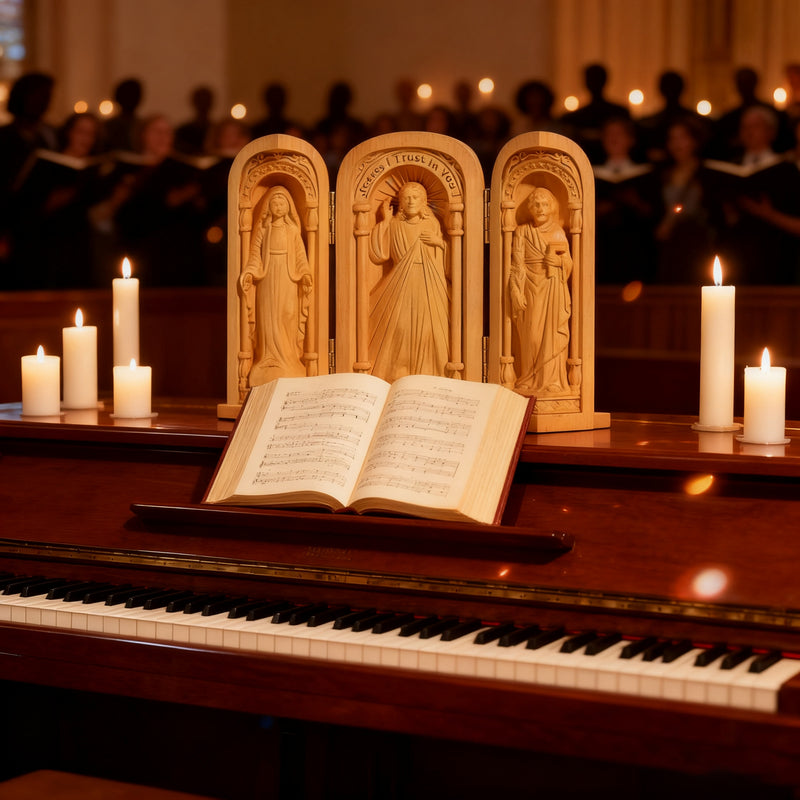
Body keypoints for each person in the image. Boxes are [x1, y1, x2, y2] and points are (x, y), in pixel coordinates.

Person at [368, 181, 449, 382]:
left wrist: (439, 243)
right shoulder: (395, 225)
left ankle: (428, 373)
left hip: (429, 283)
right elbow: (380, 255)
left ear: (424, 202)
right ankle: (397, 375)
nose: (411, 201)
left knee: (429, 330)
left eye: (416, 197)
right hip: (400, 285)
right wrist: (385, 221)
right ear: (400, 204)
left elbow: (444, 255)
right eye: (406, 198)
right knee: (400, 329)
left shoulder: (432, 224)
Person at [240, 185, 313, 385]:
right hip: (268, 278)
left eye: (282, 203)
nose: (279, 206)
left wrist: (305, 274)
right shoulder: (264, 230)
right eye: (275, 203)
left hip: (289, 279)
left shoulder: (292, 231)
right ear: (269, 207)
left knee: (287, 315)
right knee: (268, 317)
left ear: (288, 206)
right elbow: (255, 256)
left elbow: (300, 256)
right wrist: (249, 272)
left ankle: (288, 358)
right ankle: (267, 358)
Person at [509, 187, 573, 396]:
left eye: (545, 204)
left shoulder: (557, 232)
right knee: (531, 337)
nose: (540, 208)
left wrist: (558, 262)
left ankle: (552, 380)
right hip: (528, 286)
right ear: (530, 208)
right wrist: (516, 291)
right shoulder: (522, 231)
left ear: (551, 207)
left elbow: (567, 262)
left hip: (552, 288)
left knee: (552, 335)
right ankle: (528, 377)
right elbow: (516, 264)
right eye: (536, 204)